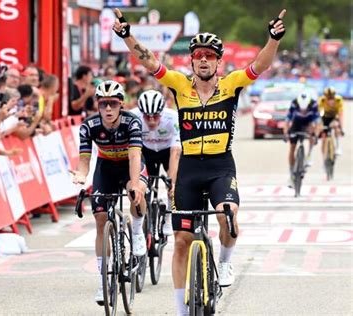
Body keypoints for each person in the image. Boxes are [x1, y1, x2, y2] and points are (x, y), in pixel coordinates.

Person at [112, 7, 287, 315]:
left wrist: (273, 39)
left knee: (228, 218)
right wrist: (128, 36)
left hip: (220, 166)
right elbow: (149, 60)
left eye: (210, 55)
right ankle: (181, 311)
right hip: (190, 170)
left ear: (218, 61)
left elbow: (260, 64)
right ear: (191, 60)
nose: (204, 59)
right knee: (180, 241)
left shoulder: (231, 85)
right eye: (199, 55)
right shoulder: (180, 85)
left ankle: (224, 264)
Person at [71, 80, 148, 305]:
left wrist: (134, 184)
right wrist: (81, 175)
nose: (108, 109)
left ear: (121, 104)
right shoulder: (88, 126)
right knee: (100, 218)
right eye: (103, 104)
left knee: (137, 192)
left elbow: (135, 156)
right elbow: (85, 159)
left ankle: (136, 230)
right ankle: (103, 280)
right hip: (105, 167)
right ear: (97, 104)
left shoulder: (132, 122)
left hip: (129, 164)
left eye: (112, 104)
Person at [131, 90, 181, 235]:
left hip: (167, 151)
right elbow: (134, 152)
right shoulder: (133, 117)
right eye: (147, 117)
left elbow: (175, 152)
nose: (152, 121)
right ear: (141, 113)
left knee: (174, 184)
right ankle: (144, 221)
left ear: (162, 112)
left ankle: (169, 214)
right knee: (143, 186)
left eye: (155, 116)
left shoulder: (172, 117)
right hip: (146, 151)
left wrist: (172, 182)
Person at [283, 92, 319, 185]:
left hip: (308, 123)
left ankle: (309, 154)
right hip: (296, 124)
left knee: (312, 131)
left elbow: (318, 123)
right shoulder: (294, 104)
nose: (303, 111)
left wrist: (316, 135)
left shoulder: (313, 104)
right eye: (301, 110)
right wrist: (285, 133)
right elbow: (287, 121)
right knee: (292, 147)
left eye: (305, 110)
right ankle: (292, 174)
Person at [317, 87, 344, 156]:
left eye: (332, 98)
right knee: (323, 138)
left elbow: (341, 115)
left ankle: (338, 147)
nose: (330, 100)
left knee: (336, 126)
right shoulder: (322, 100)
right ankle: (324, 159)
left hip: (334, 117)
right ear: (325, 97)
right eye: (328, 98)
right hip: (325, 117)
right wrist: (319, 126)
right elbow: (318, 114)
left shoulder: (339, 100)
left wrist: (341, 127)